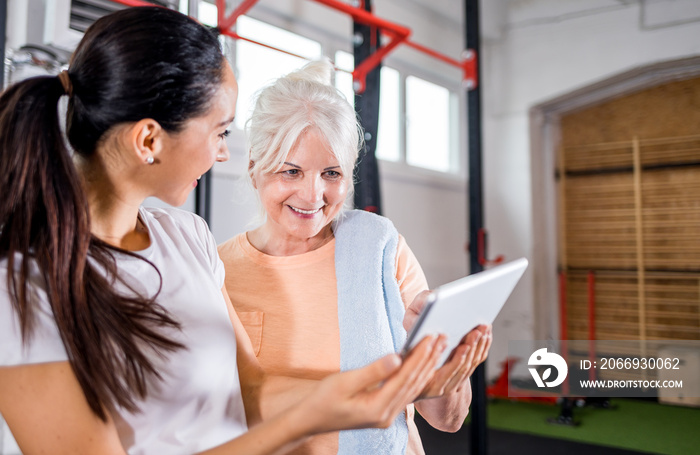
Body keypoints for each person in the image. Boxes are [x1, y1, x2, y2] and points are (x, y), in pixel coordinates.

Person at [0, 7, 448, 455]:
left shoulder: (187, 237)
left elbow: (250, 389)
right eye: (219, 132)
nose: (222, 155)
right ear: (149, 141)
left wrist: (371, 389)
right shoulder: (21, 288)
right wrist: (313, 416)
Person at [218, 59, 493, 455]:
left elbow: (447, 420)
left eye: (331, 173)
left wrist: (442, 358)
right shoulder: (216, 271)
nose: (314, 196)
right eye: (291, 172)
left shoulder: (382, 251)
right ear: (253, 167)